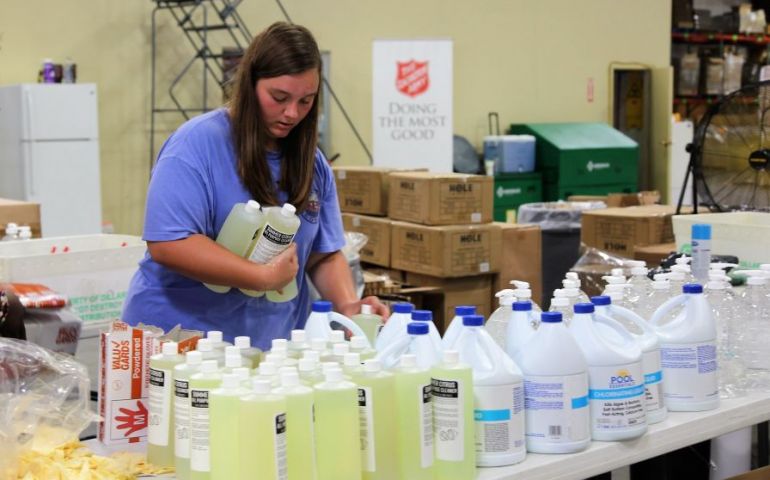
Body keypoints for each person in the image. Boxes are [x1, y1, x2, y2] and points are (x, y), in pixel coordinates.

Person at [122, 22, 388, 349]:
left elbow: (323, 254)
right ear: (250, 85)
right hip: (182, 341)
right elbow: (169, 243)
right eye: (279, 97)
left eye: (306, 101)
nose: (291, 113)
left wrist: (348, 306)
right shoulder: (196, 146)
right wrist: (259, 277)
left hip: (269, 349)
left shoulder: (312, 163)